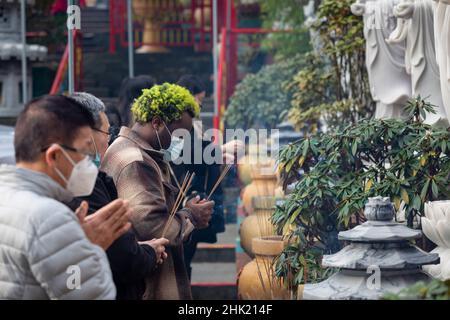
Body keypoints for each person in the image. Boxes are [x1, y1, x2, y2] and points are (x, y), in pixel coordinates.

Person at [0, 95, 131, 299]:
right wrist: (90, 250)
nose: (88, 162)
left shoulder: (6, 195)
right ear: (54, 156)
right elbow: (84, 292)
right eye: (84, 152)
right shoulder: (49, 216)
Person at [102, 83, 215, 300]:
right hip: (150, 285)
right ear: (156, 123)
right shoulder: (135, 161)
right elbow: (153, 227)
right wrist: (191, 216)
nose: (181, 141)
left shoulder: (134, 151)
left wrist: (184, 210)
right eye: (179, 133)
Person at [69, 92, 169, 300]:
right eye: (106, 133)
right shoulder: (80, 182)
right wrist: (148, 252)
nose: (108, 139)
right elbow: (121, 255)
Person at [175, 75, 225, 280]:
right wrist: (219, 149)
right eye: (199, 100)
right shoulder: (179, 125)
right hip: (184, 195)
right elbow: (188, 156)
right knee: (182, 255)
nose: (200, 105)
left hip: (191, 194)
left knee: (186, 255)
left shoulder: (191, 122)